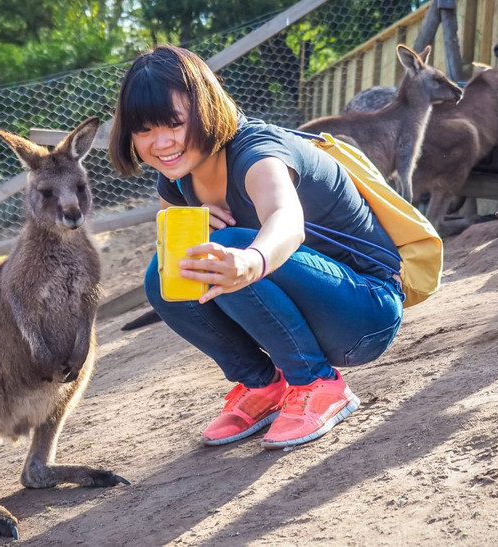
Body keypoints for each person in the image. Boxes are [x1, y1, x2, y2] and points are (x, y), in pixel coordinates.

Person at [108, 44, 404, 449]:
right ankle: (264, 385)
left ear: (206, 108)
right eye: (144, 131)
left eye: (173, 124)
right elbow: (175, 251)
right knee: (166, 272)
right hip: (314, 313)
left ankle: (319, 384)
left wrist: (250, 260)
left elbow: (287, 221)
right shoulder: (176, 178)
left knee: (225, 245)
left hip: (365, 313)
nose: (160, 143)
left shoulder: (257, 152)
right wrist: (174, 225)